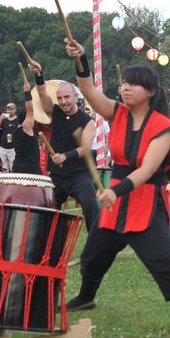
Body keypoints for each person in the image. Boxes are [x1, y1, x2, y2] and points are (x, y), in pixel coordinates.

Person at [60, 39, 170, 338]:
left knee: (169, 267)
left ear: (150, 92)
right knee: (92, 258)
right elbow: (88, 90)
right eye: (124, 84)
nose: (125, 88)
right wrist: (81, 59)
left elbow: (146, 170)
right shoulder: (116, 113)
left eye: (133, 84)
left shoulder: (163, 127)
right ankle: (87, 297)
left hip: (145, 202)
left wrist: (115, 190)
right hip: (116, 203)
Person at [36, 76, 100, 230]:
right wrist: (38, 75)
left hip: (79, 174)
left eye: (66, 97)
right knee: (45, 208)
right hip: (57, 175)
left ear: (75, 96)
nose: (63, 101)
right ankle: (47, 240)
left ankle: (97, 240)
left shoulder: (87, 121)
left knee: (90, 204)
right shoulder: (55, 112)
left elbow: (85, 148)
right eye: (59, 98)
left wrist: (65, 156)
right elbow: (42, 93)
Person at [0, 102, 19, 173]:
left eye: (11, 109)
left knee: (13, 167)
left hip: (13, 147)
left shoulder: (18, 120)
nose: (9, 111)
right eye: (8, 109)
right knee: (2, 167)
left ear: (15, 109)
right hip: (3, 147)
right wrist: (0, 119)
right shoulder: (4, 120)